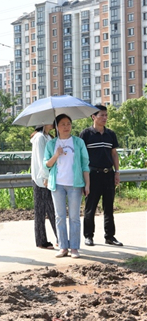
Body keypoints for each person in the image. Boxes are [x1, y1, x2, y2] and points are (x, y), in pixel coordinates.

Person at [44, 114, 90, 259]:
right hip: (57, 184)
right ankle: (63, 246)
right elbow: (47, 164)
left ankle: (74, 248)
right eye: (62, 124)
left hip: (75, 184)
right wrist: (56, 155)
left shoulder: (78, 142)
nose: (66, 126)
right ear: (57, 127)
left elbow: (85, 165)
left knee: (75, 217)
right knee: (60, 216)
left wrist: (87, 184)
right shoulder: (51, 144)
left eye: (68, 123)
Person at [80, 105, 122, 247]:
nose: (104, 118)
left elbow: (114, 154)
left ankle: (110, 236)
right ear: (93, 117)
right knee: (90, 207)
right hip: (92, 175)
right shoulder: (86, 134)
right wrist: (83, 178)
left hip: (108, 174)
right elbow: (80, 156)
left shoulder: (111, 134)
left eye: (106, 115)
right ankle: (88, 236)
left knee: (109, 207)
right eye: (101, 115)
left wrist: (116, 172)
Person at [30, 124, 58, 250]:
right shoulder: (40, 137)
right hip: (41, 179)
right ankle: (42, 240)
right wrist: (45, 177)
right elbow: (41, 159)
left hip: (47, 178)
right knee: (42, 211)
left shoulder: (48, 137)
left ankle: (59, 237)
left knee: (52, 209)